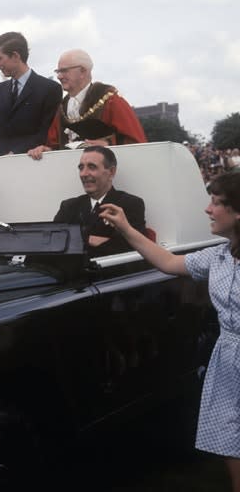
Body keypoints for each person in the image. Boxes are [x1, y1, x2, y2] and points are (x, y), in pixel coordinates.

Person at [99, 172, 240, 491]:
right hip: (228, 360)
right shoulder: (217, 256)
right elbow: (166, 261)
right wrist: (126, 228)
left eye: (216, 203)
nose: (207, 209)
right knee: (231, 440)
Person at [28, 49, 146, 159]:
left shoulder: (110, 101)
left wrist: (108, 144)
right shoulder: (62, 108)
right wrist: (46, 150)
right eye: (58, 71)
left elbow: (136, 143)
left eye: (64, 71)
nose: (59, 76)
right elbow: (54, 145)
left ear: (83, 71)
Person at [53, 146, 146, 257]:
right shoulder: (68, 206)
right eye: (81, 168)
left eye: (92, 167)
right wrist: (90, 239)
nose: (84, 174)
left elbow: (128, 248)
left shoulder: (130, 204)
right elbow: (54, 242)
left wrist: (75, 238)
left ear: (111, 172)